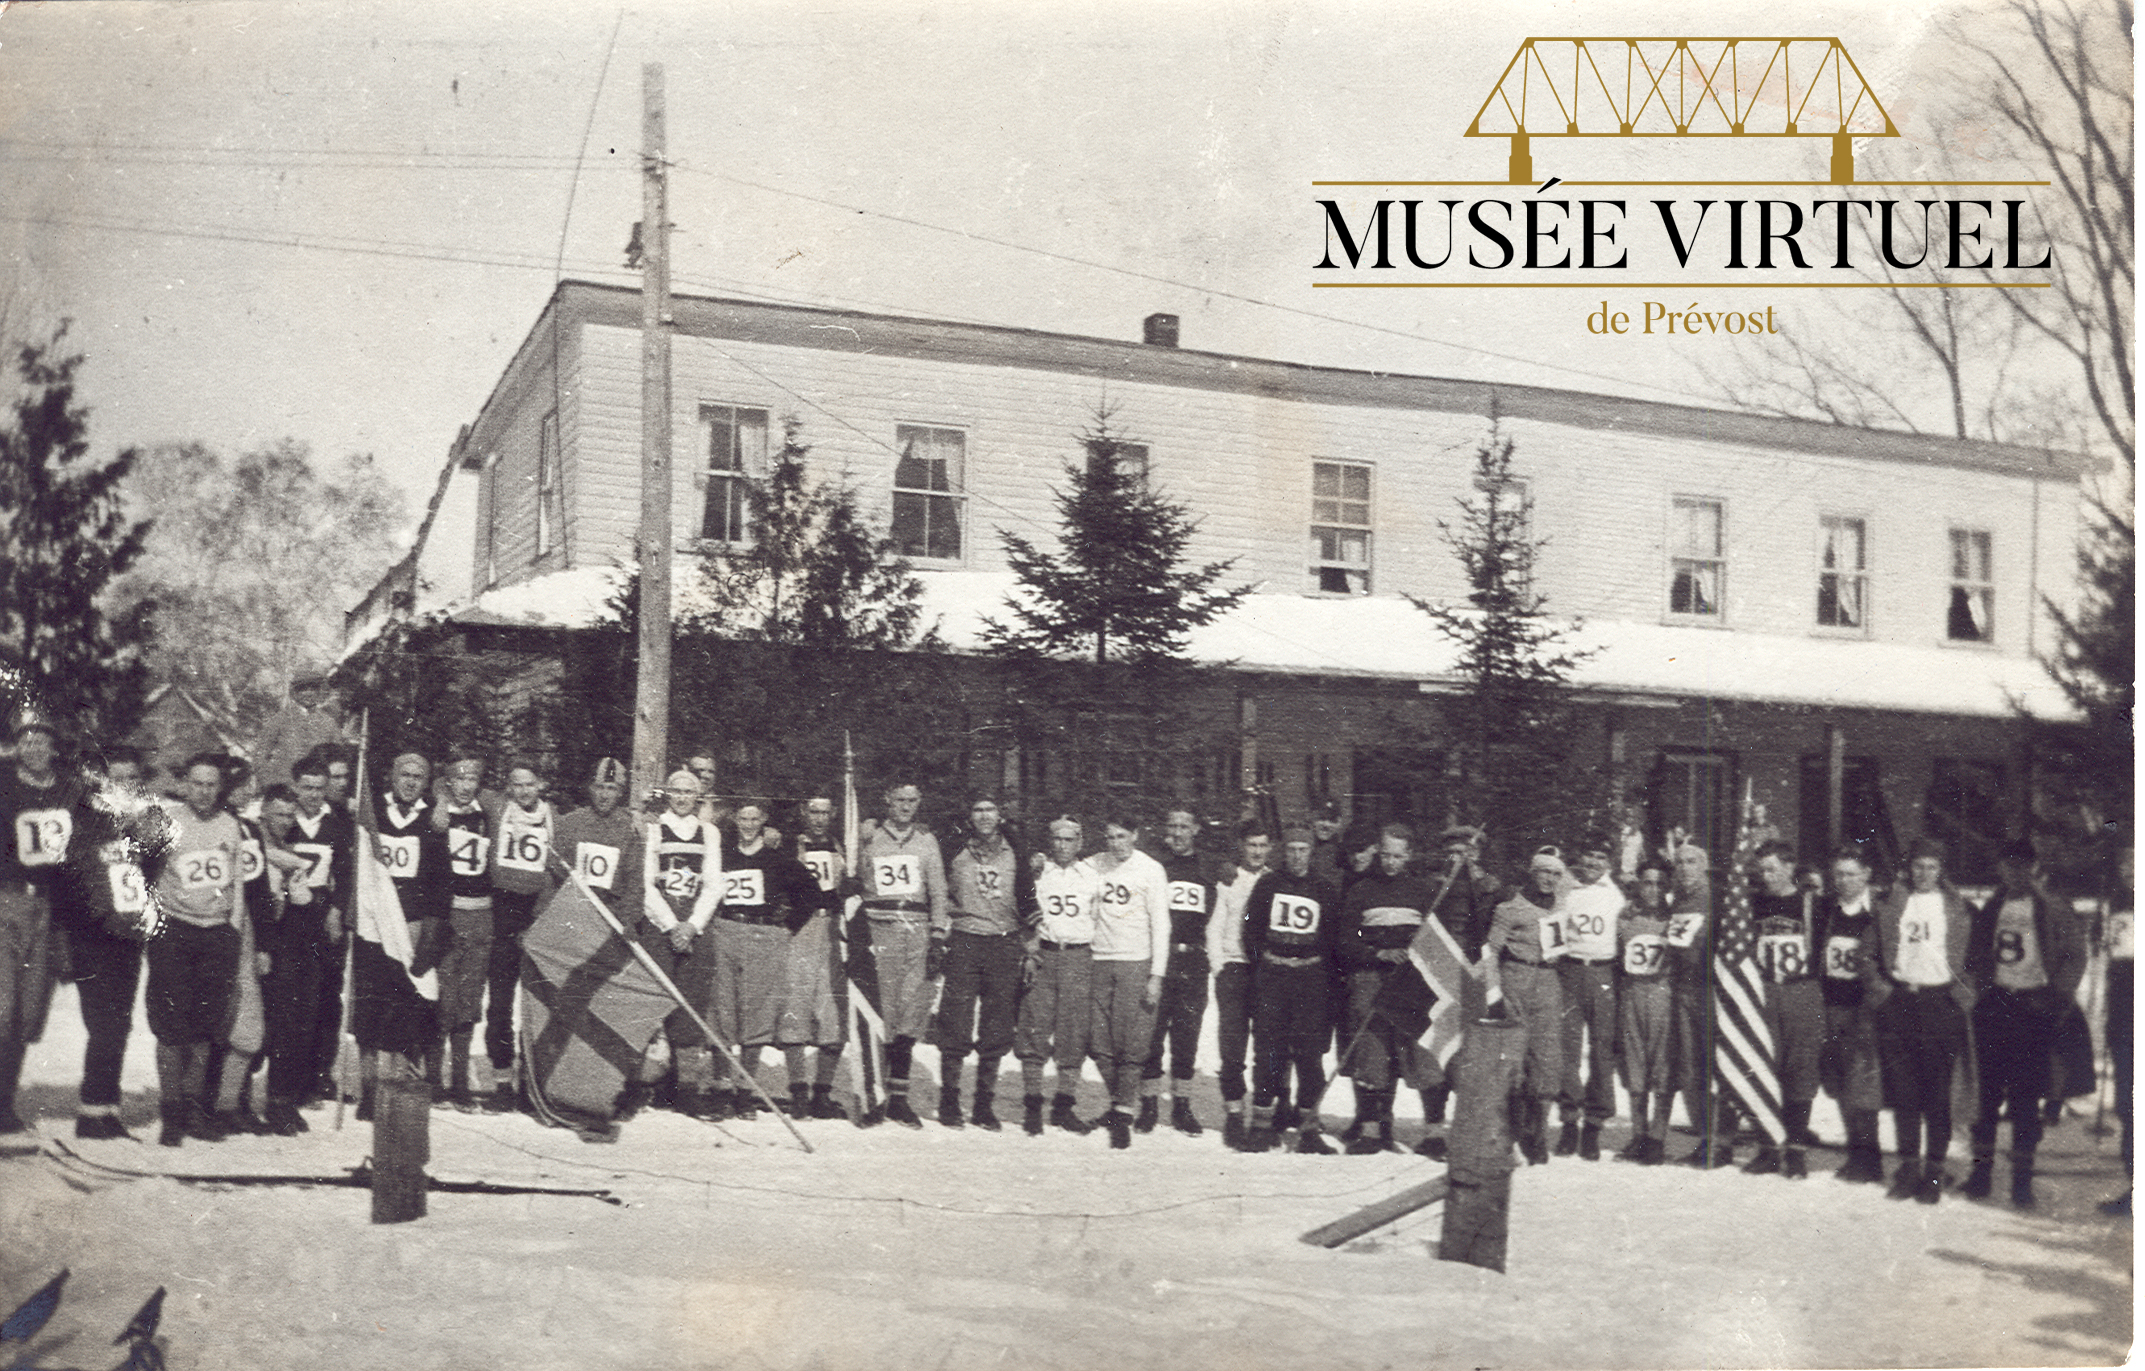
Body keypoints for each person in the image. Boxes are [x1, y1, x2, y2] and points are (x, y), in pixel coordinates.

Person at [1962, 839, 2087, 1208]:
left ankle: (2021, 1180)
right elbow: (1976, 953)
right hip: (1996, 1004)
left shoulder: (2051, 906)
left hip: (2033, 1007)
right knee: (1986, 1096)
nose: (2014, 873)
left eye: (2022, 866)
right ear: (2000, 868)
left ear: (2033, 868)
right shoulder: (1993, 906)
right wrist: (1980, 988)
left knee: (2026, 1099)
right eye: (2008, 866)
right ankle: (1981, 1172)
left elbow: (2075, 956)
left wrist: (2056, 998)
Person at [1863, 837, 1976, 1205]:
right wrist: (1880, 987)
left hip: (1939, 1003)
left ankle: (1934, 1171)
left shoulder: (1957, 906)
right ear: (1908, 868)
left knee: (1937, 1093)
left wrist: (1964, 994)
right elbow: (1867, 953)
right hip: (1900, 1001)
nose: (1924, 874)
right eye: (1918, 866)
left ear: (1941, 870)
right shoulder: (1892, 902)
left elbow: (1976, 959)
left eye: (1931, 867)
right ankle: (1909, 1167)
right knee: (1904, 1091)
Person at [145, 753, 246, 1146]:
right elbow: (144, 876)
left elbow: (236, 884)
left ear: (220, 788)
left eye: (211, 785)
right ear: (186, 783)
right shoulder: (167, 821)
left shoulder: (230, 826)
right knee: (171, 1027)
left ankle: (192, 1108)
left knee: (206, 1028)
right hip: (174, 931)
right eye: (197, 783)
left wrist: (232, 931)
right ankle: (170, 1111)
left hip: (216, 934)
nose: (204, 792)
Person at [64, 747, 160, 1139]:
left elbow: (150, 875)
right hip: (92, 935)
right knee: (104, 1024)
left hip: (127, 936)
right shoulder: (83, 819)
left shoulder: (143, 822)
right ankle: (91, 1111)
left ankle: (105, 1109)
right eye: (115, 777)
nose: (124, 785)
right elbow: (70, 880)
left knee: (119, 1023)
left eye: (131, 778)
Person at [352, 752, 448, 1121]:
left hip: (408, 928)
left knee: (404, 1007)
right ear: (392, 776)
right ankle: (368, 1089)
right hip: (372, 923)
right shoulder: (373, 813)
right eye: (404, 774)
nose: (410, 782)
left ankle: (394, 1089)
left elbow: (440, 883)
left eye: (419, 777)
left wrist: (431, 930)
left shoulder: (432, 820)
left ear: (427, 782)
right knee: (369, 1008)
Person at [550, 757, 649, 1115]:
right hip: (574, 925)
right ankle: (563, 1086)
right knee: (568, 1005)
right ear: (589, 788)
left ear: (621, 793)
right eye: (600, 787)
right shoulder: (570, 824)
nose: (605, 795)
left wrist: (625, 923)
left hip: (611, 929)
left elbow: (636, 885)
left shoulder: (630, 829)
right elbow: (554, 874)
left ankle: (616, 1088)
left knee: (610, 1008)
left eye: (613, 789)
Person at [0, 710, 83, 1133]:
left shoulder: (68, 790)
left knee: (27, 1013)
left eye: (42, 739)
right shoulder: (4, 784)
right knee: (2, 1005)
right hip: (5, 902)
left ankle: (5, 1104)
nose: (34, 747)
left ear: (54, 745)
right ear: (17, 745)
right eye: (26, 740)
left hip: (47, 908)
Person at [708, 798, 816, 1119]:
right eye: (743, 819)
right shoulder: (723, 855)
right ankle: (723, 1087)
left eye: (754, 819)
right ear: (735, 821)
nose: (748, 825)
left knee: (756, 1015)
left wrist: (788, 927)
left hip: (762, 936)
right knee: (723, 1010)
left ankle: (745, 1089)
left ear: (763, 822)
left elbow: (809, 892)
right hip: (726, 930)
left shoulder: (776, 859)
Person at [1335, 824, 1439, 1156]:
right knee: (1372, 1049)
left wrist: (1414, 953)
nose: (1391, 862)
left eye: (1398, 856)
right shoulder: (1362, 890)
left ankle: (1435, 1131)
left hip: (1411, 980)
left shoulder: (1423, 892)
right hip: (1371, 977)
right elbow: (1347, 941)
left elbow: (1437, 938)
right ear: (1378, 852)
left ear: (1408, 856)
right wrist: (1377, 953)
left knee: (1422, 1051)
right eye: (1386, 855)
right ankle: (1370, 1129)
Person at [931, 796, 1034, 1131]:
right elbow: (937, 889)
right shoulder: (955, 849)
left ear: (1000, 814)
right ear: (970, 816)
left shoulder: (1016, 851)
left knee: (998, 1023)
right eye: (977, 810)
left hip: (1004, 942)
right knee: (955, 1019)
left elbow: (1029, 898)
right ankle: (949, 1100)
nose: (985, 816)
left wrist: (1030, 947)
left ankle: (983, 1104)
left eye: (991, 809)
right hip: (965, 938)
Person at [1242, 825, 1343, 1154]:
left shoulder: (1324, 889)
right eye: (1292, 850)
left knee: (1309, 1055)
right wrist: (1265, 963)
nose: (1297, 856)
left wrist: (1318, 974)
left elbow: (1331, 940)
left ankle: (1308, 1127)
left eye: (1303, 850)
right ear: (1283, 853)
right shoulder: (1268, 884)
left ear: (1311, 853)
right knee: (1268, 1050)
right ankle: (1261, 1124)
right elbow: (1251, 929)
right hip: (1273, 977)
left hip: (1309, 980)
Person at [260, 756, 348, 1134]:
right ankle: (256, 1095)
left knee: (311, 1010)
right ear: (295, 787)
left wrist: (337, 910)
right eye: (306, 788)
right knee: (276, 1012)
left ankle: (297, 1090)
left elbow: (345, 873)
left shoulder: (338, 825)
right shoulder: (283, 820)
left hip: (315, 923)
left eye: (319, 788)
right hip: (280, 924)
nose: (313, 795)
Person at [855, 781, 948, 1128]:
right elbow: (855, 877)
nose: (906, 806)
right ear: (887, 801)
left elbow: (938, 891)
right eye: (899, 800)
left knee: (911, 1012)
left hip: (917, 930)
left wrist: (938, 935)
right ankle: (875, 1096)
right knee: (884, 1012)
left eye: (912, 800)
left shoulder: (926, 840)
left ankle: (899, 1098)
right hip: (879, 929)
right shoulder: (870, 837)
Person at [638, 768, 723, 1117]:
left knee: (691, 1000)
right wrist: (672, 925)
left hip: (695, 925)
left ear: (698, 796)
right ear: (667, 794)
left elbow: (714, 884)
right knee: (655, 998)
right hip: (661, 923)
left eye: (689, 792)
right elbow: (646, 884)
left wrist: (691, 926)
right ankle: (652, 1082)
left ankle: (686, 1087)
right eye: (676, 791)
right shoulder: (655, 829)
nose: (682, 798)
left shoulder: (709, 832)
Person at [1086, 815, 1170, 1148]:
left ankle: (1121, 1112)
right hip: (1098, 959)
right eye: (1110, 837)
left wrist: (1156, 975)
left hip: (1135, 961)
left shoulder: (1151, 869)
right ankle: (1120, 1102)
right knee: (1098, 1042)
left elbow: (1161, 925)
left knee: (1130, 1043)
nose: (1116, 843)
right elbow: (1064, 873)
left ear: (1135, 835)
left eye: (1122, 836)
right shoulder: (1094, 864)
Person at [1484, 846, 1571, 1165]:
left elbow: (1560, 950)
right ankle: (1508, 1132)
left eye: (1556, 874)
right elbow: (1490, 952)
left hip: (1548, 983)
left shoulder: (1560, 907)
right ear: (1532, 873)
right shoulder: (1510, 907)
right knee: (1512, 1061)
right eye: (1544, 872)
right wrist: (1497, 993)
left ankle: (1538, 1133)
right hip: (1515, 978)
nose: (1549, 879)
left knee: (1546, 1062)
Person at [1746, 840, 1825, 1179]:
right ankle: (1768, 1147)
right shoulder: (1753, 903)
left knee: (1800, 1068)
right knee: (1764, 1066)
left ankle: (1796, 1148)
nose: (1767, 876)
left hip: (1800, 990)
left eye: (1773, 868)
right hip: (1764, 989)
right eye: (1762, 870)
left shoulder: (1811, 904)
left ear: (1791, 867)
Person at [1139, 807, 1220, 1135]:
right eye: (1171, 825)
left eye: (1184, 826)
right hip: (1159, 960)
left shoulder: (1208, 866)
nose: (1177, 832)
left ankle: (1182, 1107)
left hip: (1192, 963)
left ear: (1196, 829)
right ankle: (1148, 1106)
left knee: (1186, 1037)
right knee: (1152, 1035)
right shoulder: (1154, 865)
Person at [1019, 817, 1099, 1137]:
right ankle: (1032, 1106)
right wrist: (1027, 949)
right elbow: (1021, 910)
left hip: (1079, 956)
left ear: (1080, 842)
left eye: (1069, 840)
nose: (1062, 845)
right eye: (1057, 839)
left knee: (1073, 1031)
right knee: (1034, 1028)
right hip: (1044, 954)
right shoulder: (1038, 872)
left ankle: (1064, 1106)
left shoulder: (1092, 875)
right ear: (1049, 841)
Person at [485, 763, 555, 1111]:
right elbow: (448, 783)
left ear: (540, 785)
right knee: (499, 1004)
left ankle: (531, 1081)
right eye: (517, 784)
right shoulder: (498, 808)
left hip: (535, 918)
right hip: (501, 916)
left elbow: (556, 871)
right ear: (508, 788)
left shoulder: (553, 816)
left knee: (535, 1006)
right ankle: (501, 1079)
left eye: (530, 784)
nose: (525, 791)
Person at [1815, 845, 1886, 1184]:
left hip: (1864, 1010)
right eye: (1838, 875)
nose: (1843, 881)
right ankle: (1854, 1151)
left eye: (1850, 874)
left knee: (1864, 1083)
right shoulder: (1828, 910)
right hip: (1832, 1005)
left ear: (1866, 875)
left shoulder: (1879, 913)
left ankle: (1870, 1155)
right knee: (1840, 1081)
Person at [428, 755, 496, 1110]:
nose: (467, 786)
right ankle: (434, 1080)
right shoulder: (437, 811)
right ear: (449, 781)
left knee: (469, 1001)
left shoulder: (488, 813)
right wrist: (440, 796)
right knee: (443, 997)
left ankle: (459, 1083)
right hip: (448, 914)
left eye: (473, 780)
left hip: (481, 914)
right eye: (460, 779)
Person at [1555, 836, 1625, 1159]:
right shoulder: (1566, 890)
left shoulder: (1618, 894)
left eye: (1600, 857)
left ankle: (1594, 1126)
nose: (1594, 863)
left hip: (1604, 974)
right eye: (1589, 856)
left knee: (1602, 1050)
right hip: (1570, 971)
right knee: (1567, 1049)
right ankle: (1569, 1121)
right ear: (1580, 860)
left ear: (1609, 863)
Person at [778, 796, 848, 1120]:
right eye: (814, 811)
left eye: (825, 812)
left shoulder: (841, 845)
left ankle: (823, 1092)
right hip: (802, 929)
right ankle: (798, 1091)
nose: (819, 818)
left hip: (833, 929)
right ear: (805, 813)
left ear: (833, 814)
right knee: (796, 1007)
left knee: (832, 1011)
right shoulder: (793, 845)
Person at [1664, 841, 1732, 1168]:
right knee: (1690, 1067)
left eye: (1691, 861)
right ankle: (1705, 1136)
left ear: (1703, 866)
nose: (1684, 868)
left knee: (1718, 1067)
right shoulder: (1676, 900)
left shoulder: (1716, 899)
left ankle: (1723, 1139)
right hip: (1683, 992)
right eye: (1679, 862)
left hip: (1712, 991)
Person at [1207, 821, 1272, 1149]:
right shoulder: (1228, 880)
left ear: (1269, 847)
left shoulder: (1275, 881)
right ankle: (1233, 1113)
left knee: (1266, 1047)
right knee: (1232, 1047)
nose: (1257, 851)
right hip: (1234, 969)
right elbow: (1214, 928)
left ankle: (1265, 1116)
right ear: (1241, 846)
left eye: (1262, 845)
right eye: (1251, 845)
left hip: (1266, 972)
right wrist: (1220, 968)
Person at [1614, 858, 1674, 1163]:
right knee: (1634, 1066)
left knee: (1662, 1068)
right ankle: (1638, 1134)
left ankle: (1657, 1137)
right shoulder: (1625, 918)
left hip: (1663, 995)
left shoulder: (1674, 917)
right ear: (1638, 884)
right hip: (1632, 993)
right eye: (1648, 882)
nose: (1653, 889)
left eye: (1660, 883)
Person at [250, 673, 343, 793]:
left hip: (318, 790)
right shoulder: (280, 719)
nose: (309, 693)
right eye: (303, 689)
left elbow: (339, 760)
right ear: (294, 693)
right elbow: (260, 754)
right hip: (286, 789)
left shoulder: (329, 722)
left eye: (313, 688)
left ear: (319, 692)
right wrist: (270, 783)